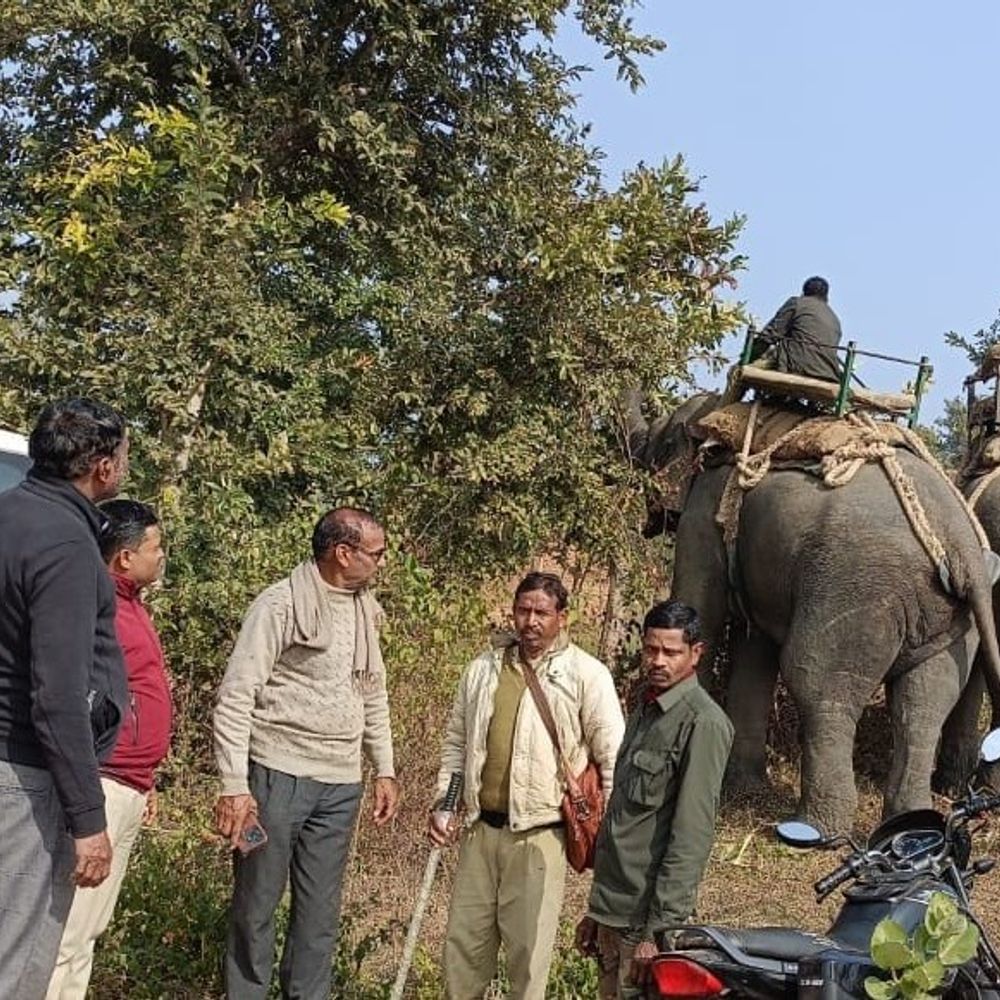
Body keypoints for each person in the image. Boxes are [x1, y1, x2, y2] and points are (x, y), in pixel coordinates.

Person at [213, 506, 400, 1000]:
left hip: (340, 784)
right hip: (276, 776)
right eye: (377, 553)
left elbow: (373, 691)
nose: (382, 562)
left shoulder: (365, 610)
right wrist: (234, 785)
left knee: (319, 915)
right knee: (256, 907)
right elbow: (237, 695)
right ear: (343, 553)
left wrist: (384, 768)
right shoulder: (279, 605)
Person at [429, 571, 625, 1000]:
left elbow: (613, 757)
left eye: (541, 613)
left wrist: (611, 833)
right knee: (463, 950)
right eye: (523, 610)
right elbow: (457, 743)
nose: (530, 621)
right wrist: (445, 803)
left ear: (562, 617)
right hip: (480, 833)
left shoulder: (586, 674)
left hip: (541, 837)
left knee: (528, 957)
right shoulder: (483, 670)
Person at [0, 398, 130, 999]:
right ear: (103, 466)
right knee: (16, 960)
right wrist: (87, 818)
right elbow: (58, 696)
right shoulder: (66, 546)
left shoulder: (10, 513)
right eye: (124, 455)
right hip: (25, 780)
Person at [46, 499, 173, 999]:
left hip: (129, 783)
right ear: (125, 557)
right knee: (66, 930)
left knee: (88, 930)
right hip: (101, 782)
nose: (161, 556)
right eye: (155, 547)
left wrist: (147, 777)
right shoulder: (98, 611)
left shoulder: (132, 607)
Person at [576, 599, 733, 1000]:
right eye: (651, 649)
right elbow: (624, 819)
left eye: (671, 652)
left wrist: (659, 932)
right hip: (614, 909)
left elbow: (691, 837)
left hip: (645, 921)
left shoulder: (704, 723)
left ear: (696, 653)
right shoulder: (646, 707)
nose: (658, 661)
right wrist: (597, 911)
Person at [752, 275, 843, 382]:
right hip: (828, 374)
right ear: (826, 296)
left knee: (741, 372)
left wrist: (748, 357)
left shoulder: (797, 303)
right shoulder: (835, 319)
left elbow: (770, 335)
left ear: (804, 292)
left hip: (796, 367)